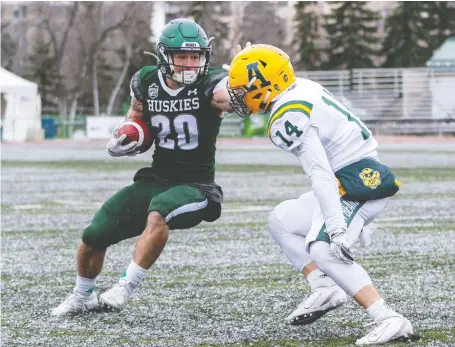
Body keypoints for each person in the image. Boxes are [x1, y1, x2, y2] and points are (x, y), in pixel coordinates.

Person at [226, 44, 417, 345]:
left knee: (323, 249)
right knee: (281, 220)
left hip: (357, 181)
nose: (237, 98)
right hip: (354, 174)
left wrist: (338, 227)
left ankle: (388, 318)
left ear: (263, 86)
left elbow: (321, 174)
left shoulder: (288, 116)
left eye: (241, 90)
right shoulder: (296, 88)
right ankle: (324, 287)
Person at [51, 18, 233, 315]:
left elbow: (231, 99)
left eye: (195, 56)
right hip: (157, 178)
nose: (189, 64)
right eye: (182, 56)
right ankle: (83, 295)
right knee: (95, 233)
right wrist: (127, 135)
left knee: (160, 208)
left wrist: (243, 81)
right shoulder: (146, 81)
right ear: (164, 56)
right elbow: (137, 120)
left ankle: (126, 286)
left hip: (197, 186)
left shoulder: (211, 83)